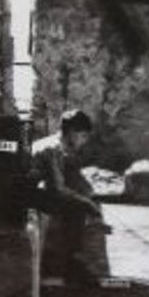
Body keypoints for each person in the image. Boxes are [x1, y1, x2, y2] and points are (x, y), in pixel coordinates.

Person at [30, 109, 111, 284]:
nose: (84, 141)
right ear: (72, 133)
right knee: (76, 208)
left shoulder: (57, 145)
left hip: (31, 191)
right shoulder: (54, 149)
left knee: (74, 203)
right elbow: (58, 189)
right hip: (23, 195)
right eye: (82, 136)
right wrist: (87, 203)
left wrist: (86, 195)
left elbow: (70, 177)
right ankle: (72, 262)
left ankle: (70, 260)